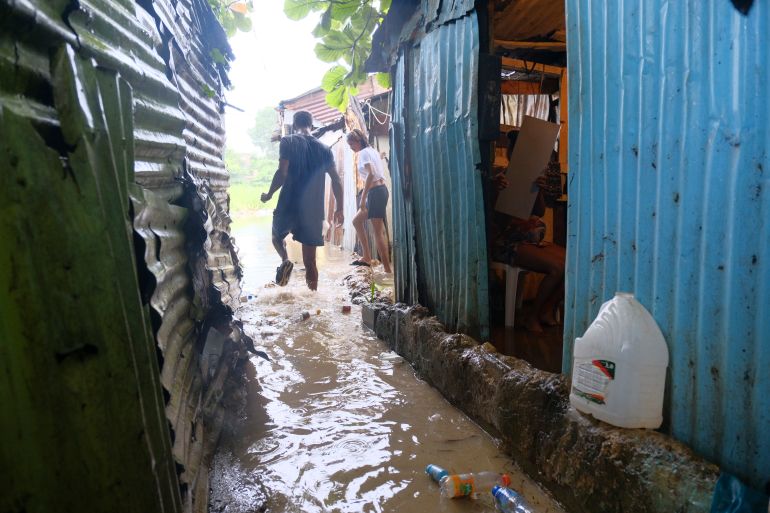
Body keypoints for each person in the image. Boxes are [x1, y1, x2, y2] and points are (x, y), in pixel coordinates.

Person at [491, 131, 565, 333]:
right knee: (557, 267)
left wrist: (538, 189)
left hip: (524, 239)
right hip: (504, 242)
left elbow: (539, 211)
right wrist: (497, 190)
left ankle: (546, 310)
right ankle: (530, 316)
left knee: (571, 263)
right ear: (511, 153)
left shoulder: (531, 177)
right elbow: (497, 220)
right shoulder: (499, 177)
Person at [261, 110, 344, 290]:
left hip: (288, 204)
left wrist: (269, 194)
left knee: (276, 236)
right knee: (310, 262)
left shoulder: (287, 141)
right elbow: (337, 180)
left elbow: (282, 173)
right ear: (312, 125)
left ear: (294, 125)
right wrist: (340, 209)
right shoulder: (324, 149)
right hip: (313, 211)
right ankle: (312, 299)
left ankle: (285, 260)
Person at [346, 128, 392, 274]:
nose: (350, 147)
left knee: (378, 233)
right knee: (356, 221)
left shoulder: (363, 153)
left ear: (358, 141)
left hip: (375, 193)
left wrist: (363, 198)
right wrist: (381, 155)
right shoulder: (371, 151)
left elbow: (371, 174)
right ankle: (366, 257)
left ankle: (388, 271)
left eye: (351, 144)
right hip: (380, 191)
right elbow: (376, 163)